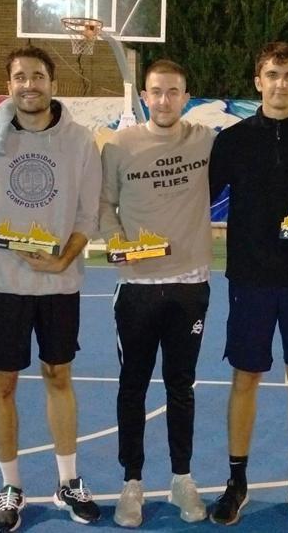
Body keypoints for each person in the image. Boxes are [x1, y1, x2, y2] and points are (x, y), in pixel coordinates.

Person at [0, 46, 103, 531]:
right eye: (20, 76)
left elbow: (88, 213)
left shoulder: (79, 141)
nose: (29, 85)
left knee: (59, 376)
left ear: (52, 82)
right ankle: (11, 487)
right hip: (1, 284)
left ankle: (67, 482)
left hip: (60, 283)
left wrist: (64, 256)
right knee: (3, 383)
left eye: (37, 76)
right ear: (9, 84)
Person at [208, 41, 288, 529]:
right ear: (257, 82)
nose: (280, 83)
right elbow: (193, 195)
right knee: (246, 379)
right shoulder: (233, 140)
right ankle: (236, 481)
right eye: (272, 74)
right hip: (250, 280)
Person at [99, 59, 212, 528]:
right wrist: (119, 246)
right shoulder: (120, 145)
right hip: (138, 289)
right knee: (133, 387)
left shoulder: (207, 141)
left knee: (180, 387)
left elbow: (258, 146)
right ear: (145, 95)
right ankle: (132, 482)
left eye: (174, 91)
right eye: (156, 91)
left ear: (187, 97)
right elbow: (105, 205)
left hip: (190, 287)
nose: (164, 99)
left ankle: (182, 478)